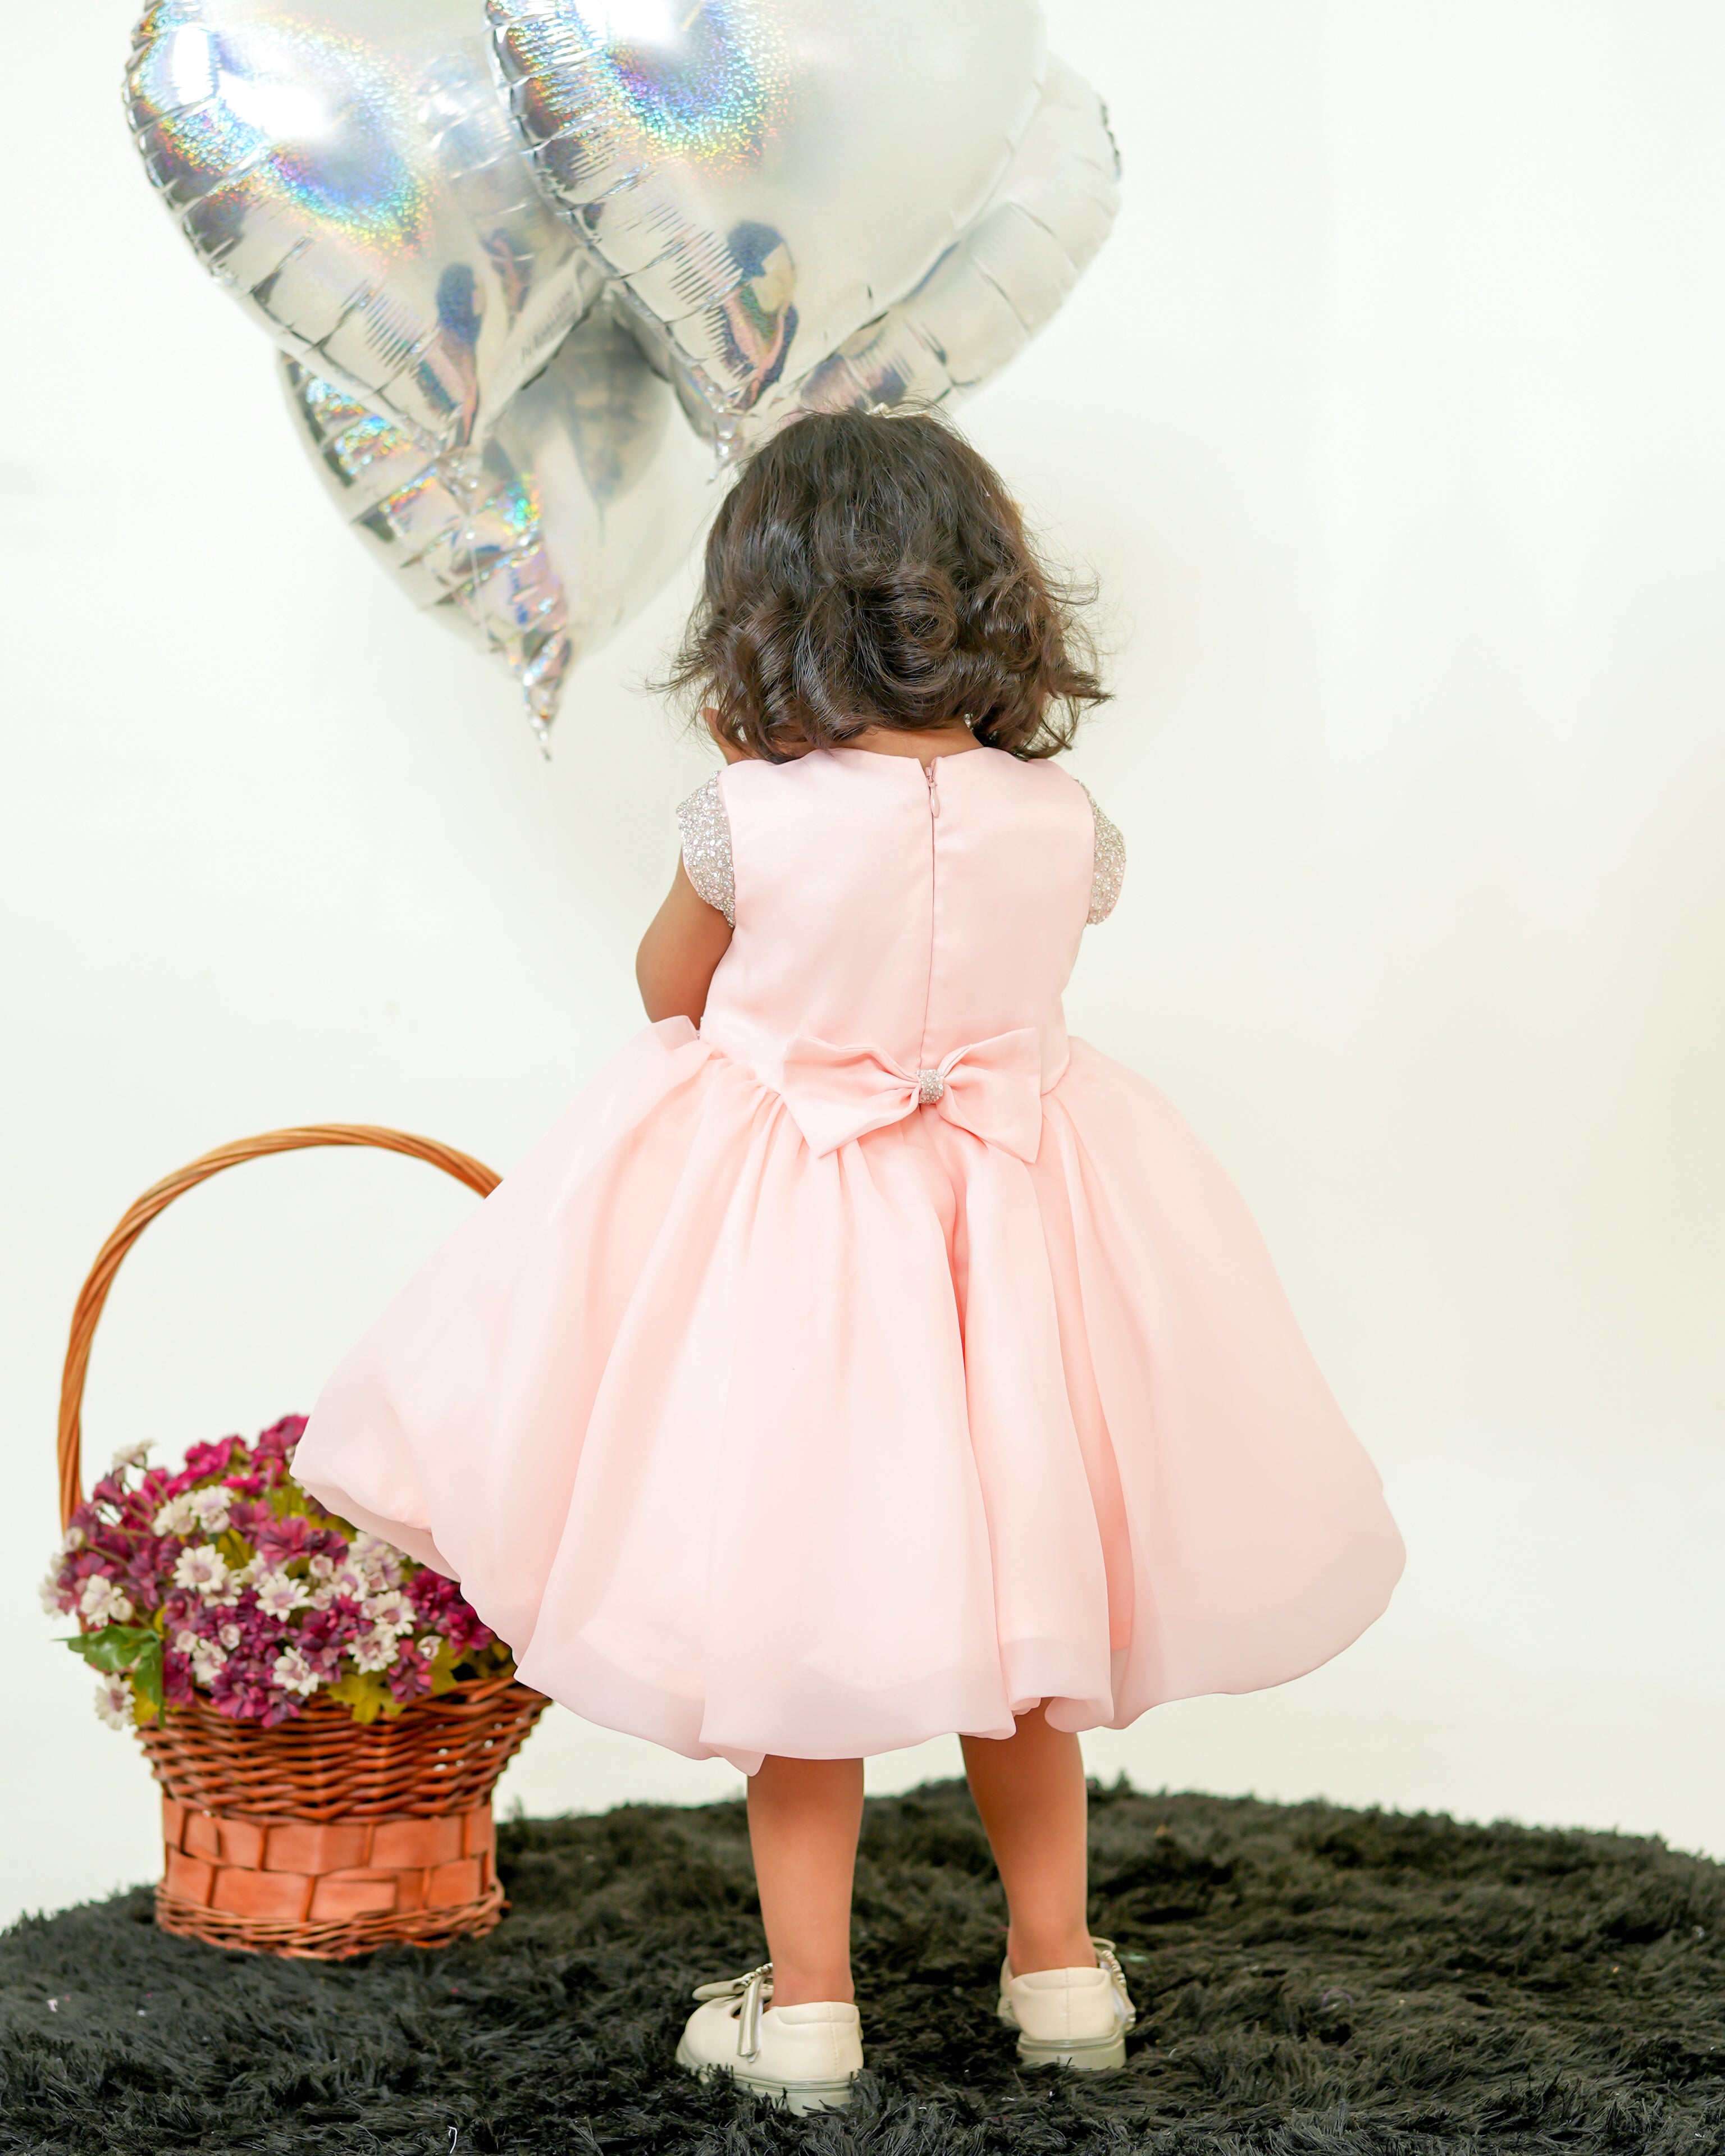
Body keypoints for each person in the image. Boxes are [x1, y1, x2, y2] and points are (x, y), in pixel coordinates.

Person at [293, 409, 1405, 2114]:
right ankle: (1059, 1971)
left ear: (771, 611)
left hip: (801, 1247)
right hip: (1013, 1235)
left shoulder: (745, 818)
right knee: (1028, 1620)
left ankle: (809, 2007)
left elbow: (668, 994)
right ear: (991, 598)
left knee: (795, 1610)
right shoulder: (1066, 819)